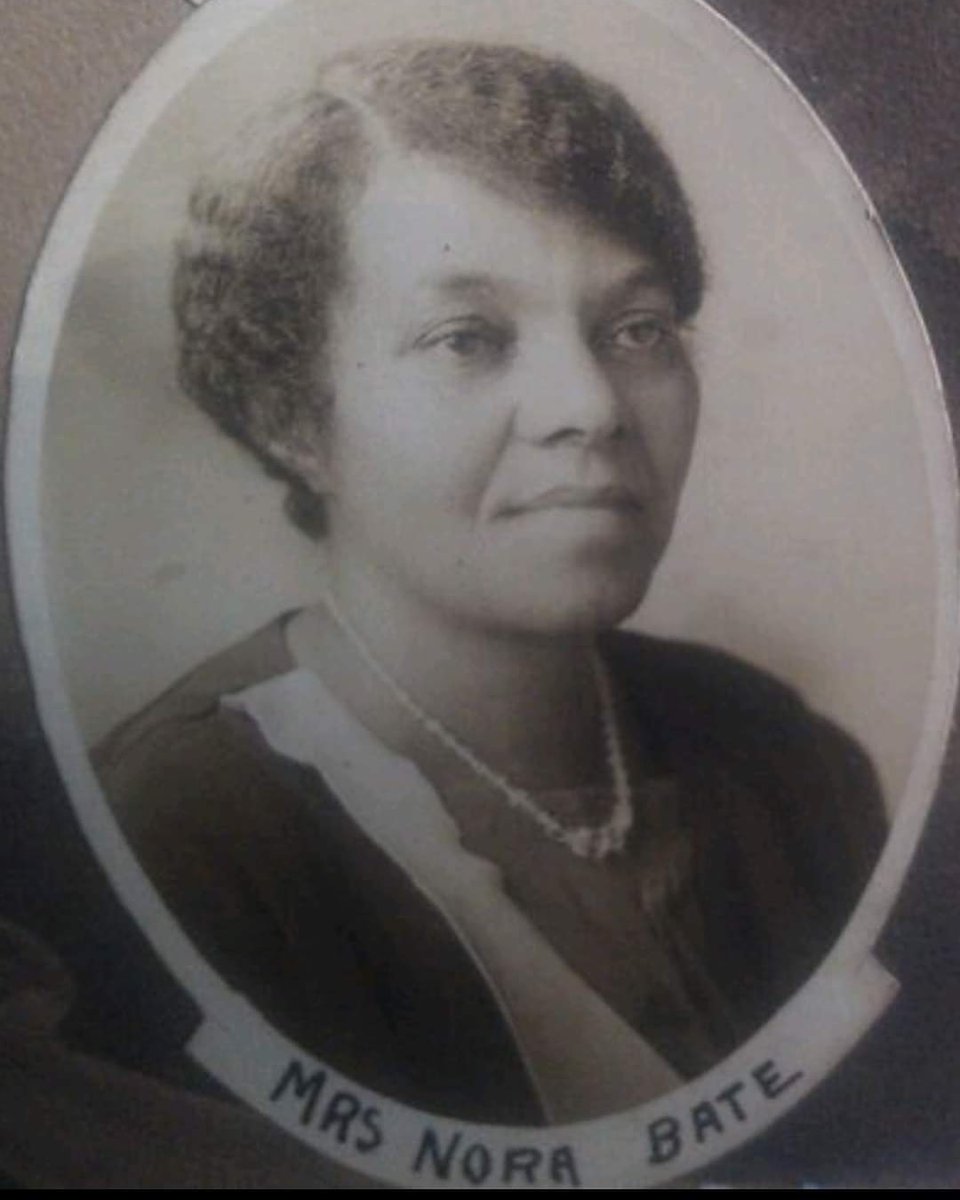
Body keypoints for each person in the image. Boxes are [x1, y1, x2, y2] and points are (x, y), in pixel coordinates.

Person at [94, 40, 887, 1126]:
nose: (591, 407)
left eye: (638, 330)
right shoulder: (190, 831)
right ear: (292, 415)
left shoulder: (787, 761)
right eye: (467, 339)